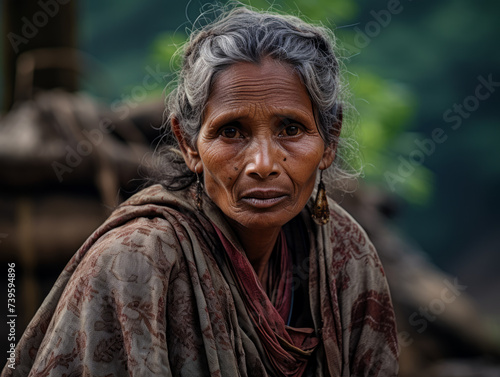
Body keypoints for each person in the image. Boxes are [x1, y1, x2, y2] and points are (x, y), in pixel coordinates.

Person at [2, 6, 399, 377]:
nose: (262, 163)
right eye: (231, 131)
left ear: (329, 141)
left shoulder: (345, 253)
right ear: (189, 144)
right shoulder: (137, 263)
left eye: (290, 129)